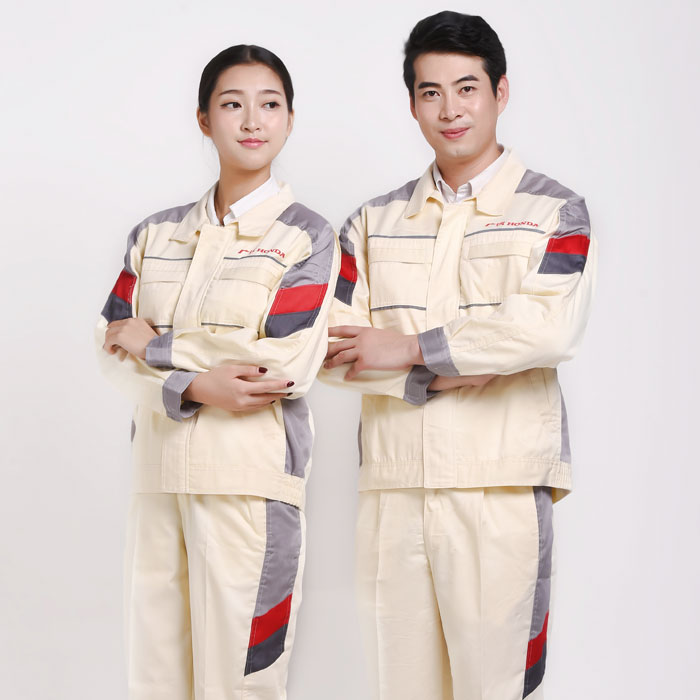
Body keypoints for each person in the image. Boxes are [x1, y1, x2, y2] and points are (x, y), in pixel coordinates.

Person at [321, 11, 596, 700]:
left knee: (494, 689)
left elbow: (547, 331)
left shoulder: (555, 212)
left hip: (500, 488)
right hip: (393, 490)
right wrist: (456, 368)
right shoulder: (371, 224)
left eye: (467, 88)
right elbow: (328, 348)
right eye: (431, 92)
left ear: (500, 92)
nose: (450, 109)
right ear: (412, 103)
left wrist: (409, 347)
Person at [95, 44, 339, 700]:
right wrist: (200, 381)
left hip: (248, 487)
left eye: (270, 105)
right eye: (233, 104)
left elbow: (282, 361)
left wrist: (160, 348)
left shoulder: (308, 238)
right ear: (204, 119)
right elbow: (110, 345)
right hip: (158, 480)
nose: (252, 120)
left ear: (290, 119)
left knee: (240, 683)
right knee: (156, 680)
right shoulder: (155, 236)